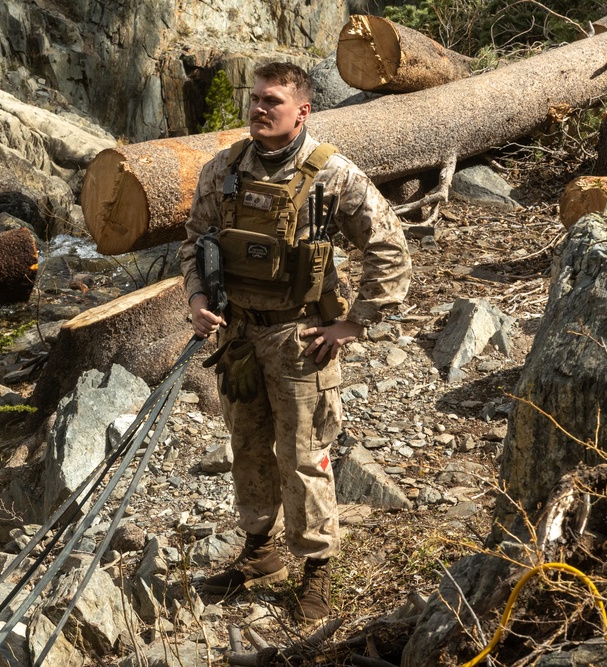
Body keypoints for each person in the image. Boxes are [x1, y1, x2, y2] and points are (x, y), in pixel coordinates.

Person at [180, 61, 411, 622]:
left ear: (302, 110)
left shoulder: (332, 175)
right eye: (255, 99)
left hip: (300, 338)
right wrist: (197, 300)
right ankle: (261, 553)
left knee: (304, 455)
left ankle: (317, 572)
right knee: (248, 445)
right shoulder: (224, 169)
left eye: (272, 102)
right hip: (237, 336)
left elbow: (389, 247)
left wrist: (353, 324)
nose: (258, 109)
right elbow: (195, 240)